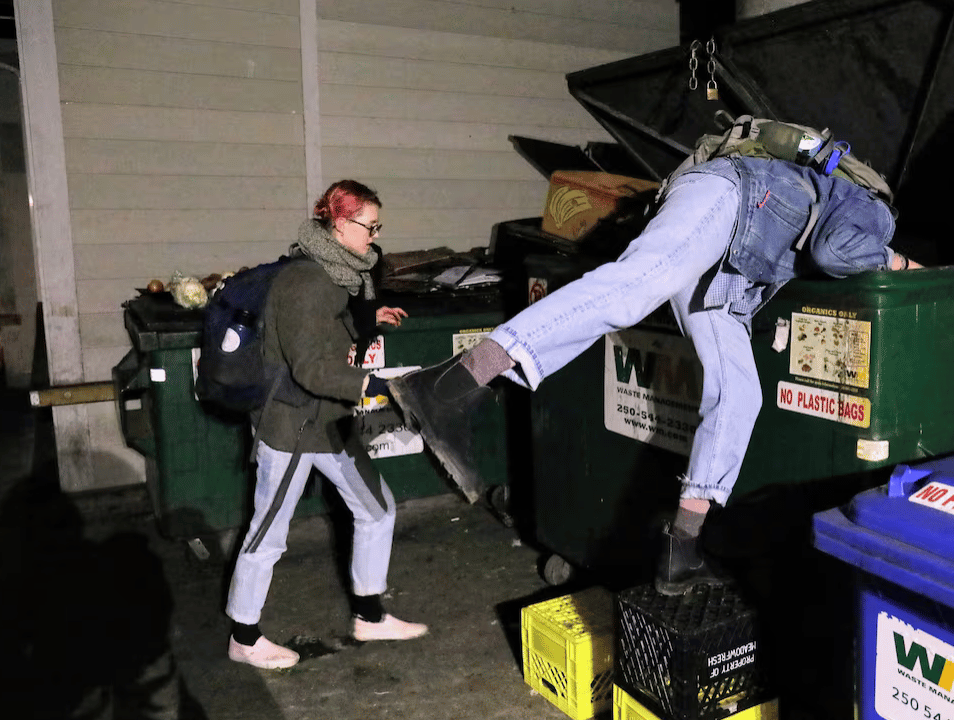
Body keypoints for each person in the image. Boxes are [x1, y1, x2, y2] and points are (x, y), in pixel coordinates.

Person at [389, 154, 922, 595]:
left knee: (739, 394)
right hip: (727, 195)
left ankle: (683, 549)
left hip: (729, 269)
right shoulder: (874, 207)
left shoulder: (828, 192)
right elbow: (837, 250)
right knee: (637, 285)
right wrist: (901, 264)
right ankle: (448, 385)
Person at [225, 180, 427, 670]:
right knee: (269, 533)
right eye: (368, 226)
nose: (374, 237)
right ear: (339, 222)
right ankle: (244, 637)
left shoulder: (333, 275)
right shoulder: (307, 281)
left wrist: (367, 318)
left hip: (327, 422)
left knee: (377, 510)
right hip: (293, 426)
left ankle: (369, 615)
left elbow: (326, 332)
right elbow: (311, 367)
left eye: (378, 226)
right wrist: (376, 387)